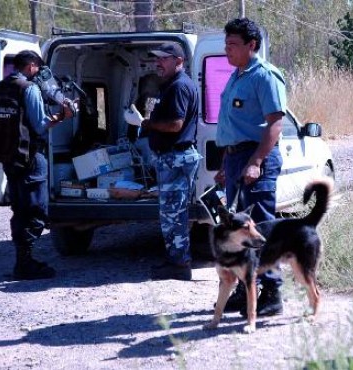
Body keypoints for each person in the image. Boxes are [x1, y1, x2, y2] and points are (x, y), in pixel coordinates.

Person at [214, 18, 287, 317]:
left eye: (233, 45)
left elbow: (275, 124)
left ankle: (272, 292)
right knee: (237, 230)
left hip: (257, 158)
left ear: (251, 45)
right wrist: (225, 164)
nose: (227, 50)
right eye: (226, 44)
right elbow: (231, 124)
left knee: (259, 227)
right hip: (234, 159)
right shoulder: (237, 76)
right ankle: (247, 290)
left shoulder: (266, 76)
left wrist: (256, 161)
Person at [123, 42, 201, 281]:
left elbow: (176, 125)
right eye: (157, 59)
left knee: (173, 216)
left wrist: (145, 124)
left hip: (176, 158)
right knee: (172, 214)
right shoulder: (171, 85)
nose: (158, 63)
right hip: (172, 158)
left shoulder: (179, 86)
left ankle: (179, 264)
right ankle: (176, 260)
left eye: (164, 59)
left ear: (179, 62)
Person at [0, 50, 73, 280]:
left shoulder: (0, 88)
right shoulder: (29, 89)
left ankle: (23, 259)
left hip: (9, 158)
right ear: (30, 65)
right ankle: (25, 262)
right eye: (37, 68)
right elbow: (40, 125)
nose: (38, 72)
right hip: (30, 157)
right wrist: (63, 116)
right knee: (36, 209)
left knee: (19, 208)